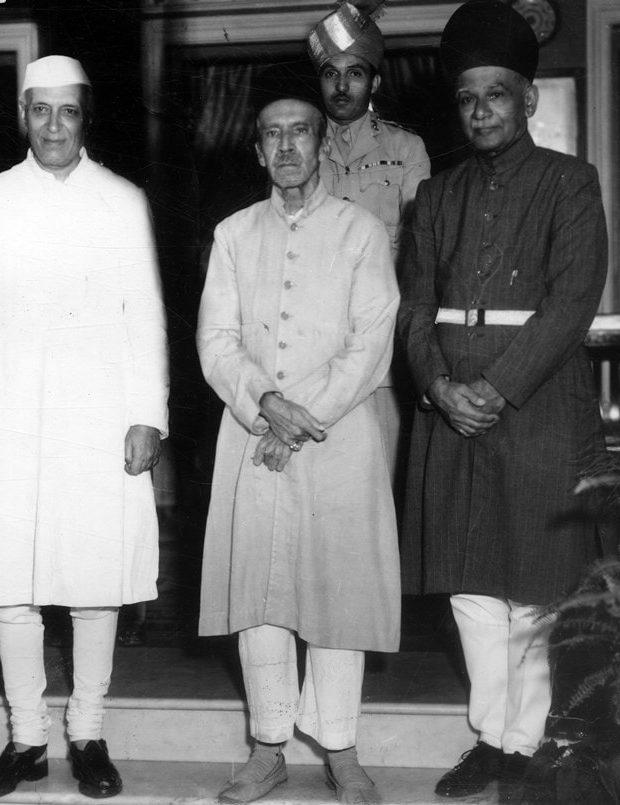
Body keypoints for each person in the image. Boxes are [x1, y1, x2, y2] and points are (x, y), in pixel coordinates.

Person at [396, 2, 608, 802]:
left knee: (532, 583)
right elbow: (415, 308)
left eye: (497, 94)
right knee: (472, 586)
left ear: (529, 101)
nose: (480, 110)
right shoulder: (435, 196)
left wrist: (495, 385)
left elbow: (570, 302)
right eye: (467, 97)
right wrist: (441, 384)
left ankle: (528, 741)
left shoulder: (569, 183)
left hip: (539, 406)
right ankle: (491, 738)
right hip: (452, 409)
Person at [0, 55, 169, 801]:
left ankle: (88, 730)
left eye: (66, 111)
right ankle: (25, 738)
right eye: (39, 111)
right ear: (22, 116)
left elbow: (147, 316)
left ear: (86, 116)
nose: (53, 126)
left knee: (93, 579)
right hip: (9, 409)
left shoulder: (122, 200)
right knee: (13, 581)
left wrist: (149, 412)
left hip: (99, 411)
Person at [196, 64, 400, 805]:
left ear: (322, 145)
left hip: (340, 436)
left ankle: (341, 749)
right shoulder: (232, 234)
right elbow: (215, 340)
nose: (287, 145)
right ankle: (268, 746)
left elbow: (371, 340)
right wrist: (266, 404)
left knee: (337, 595)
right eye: (272, 134)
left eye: (300, 131)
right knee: (261, 595)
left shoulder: (361, 231)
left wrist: (300, 413)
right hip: (254, 434)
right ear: (257, 151)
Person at [307, 0, 430, 482]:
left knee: (380, 477)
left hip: (383, 349)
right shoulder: (299, 152)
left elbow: (420, 250)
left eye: (354, 74)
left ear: (374, 82)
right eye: (331, 74)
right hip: (315, 345)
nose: (342, 86)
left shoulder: (405, 149)